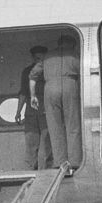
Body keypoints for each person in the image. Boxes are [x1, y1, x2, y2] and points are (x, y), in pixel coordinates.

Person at [30, 33, 82, 170]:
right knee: (73, 125)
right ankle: (75, 162)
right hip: (70, 85)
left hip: (50, 87)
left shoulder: (47, 56)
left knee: (54, 126)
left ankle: (59, 162)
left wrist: (33, 96)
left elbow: (33, 76)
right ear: (72, 44)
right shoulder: (75, 54)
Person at [16, 45, 54, 169]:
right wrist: (18, 112)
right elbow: (23, 93)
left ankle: (50, 169)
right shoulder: (27, 71)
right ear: (32, 57)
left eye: (41, 58)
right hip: (31, 111)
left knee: (49, 142)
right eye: (37, 58)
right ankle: (31, 171)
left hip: (47, 109)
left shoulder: (50, 70)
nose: (39, 60)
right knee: (31, 143)